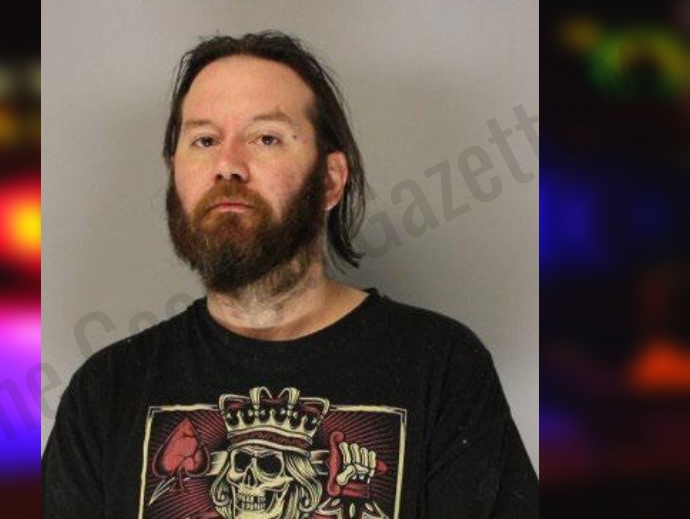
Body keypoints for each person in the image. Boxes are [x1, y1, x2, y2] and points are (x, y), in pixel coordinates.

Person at [42, 31, 538, 518]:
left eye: (266, 138)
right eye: (204, 139)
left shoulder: (443, 367)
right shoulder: (107, 391)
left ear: (330, 181)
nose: (227, 165)